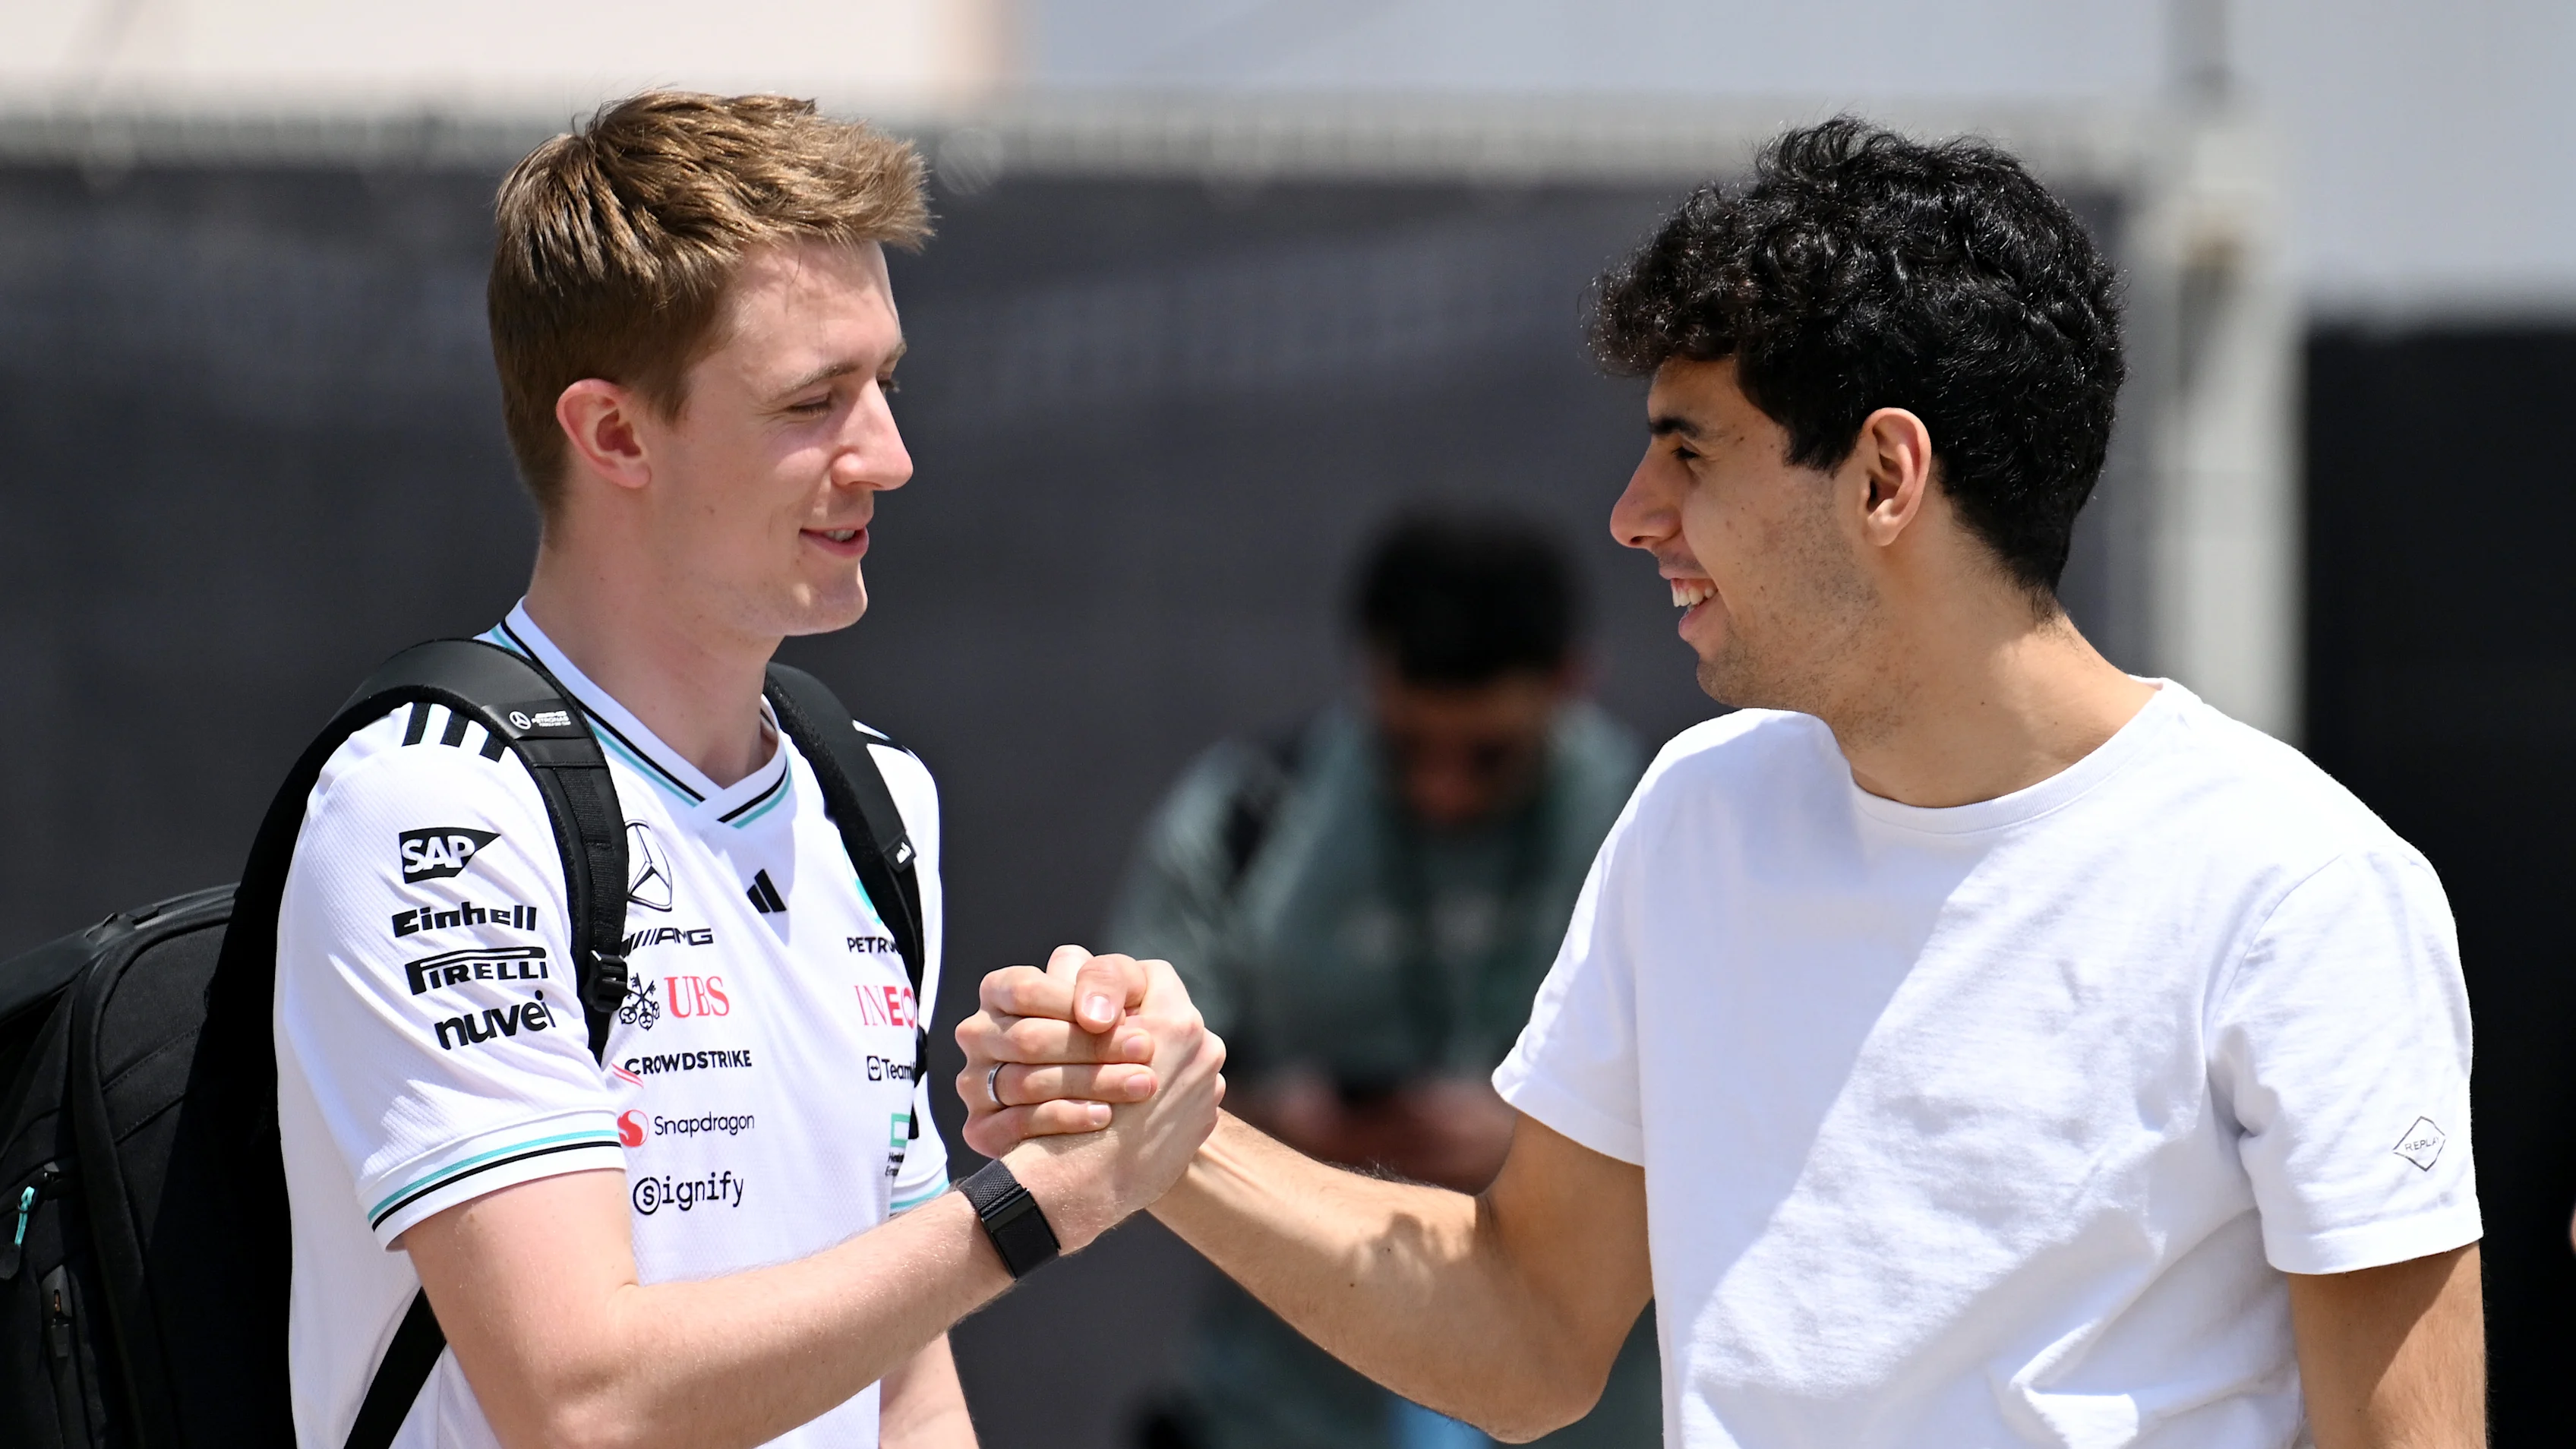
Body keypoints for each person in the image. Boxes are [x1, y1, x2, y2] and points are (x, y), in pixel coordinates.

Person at [958, 119, 2485, 1448]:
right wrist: (1171, 1139)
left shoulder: (2298, 893)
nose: (1632, 518)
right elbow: (1526, 1329)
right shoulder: (1698, 817)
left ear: (1886, 478)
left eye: (1690, 453)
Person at [271, 91, 1224, 1449]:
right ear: (613, 435)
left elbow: (906, 1381)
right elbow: (581, 1397)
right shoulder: (433, 804)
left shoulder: (870, 793)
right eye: (812, 400)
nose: (887, 455)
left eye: (885, 380)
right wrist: (1037, 1202)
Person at [1108, 513, 1656, 1449]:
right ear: (1369, 680)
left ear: (1572, 682)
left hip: (1605, 1415)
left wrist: (1549, 1147)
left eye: (1487, 756)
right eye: (1408, 748)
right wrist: (1278, 1128)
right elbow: (1119, 1082)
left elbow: (1765, 1116)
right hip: (1282, 1412)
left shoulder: (1665, 828)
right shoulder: (1249, 821)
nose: (1443, 788)